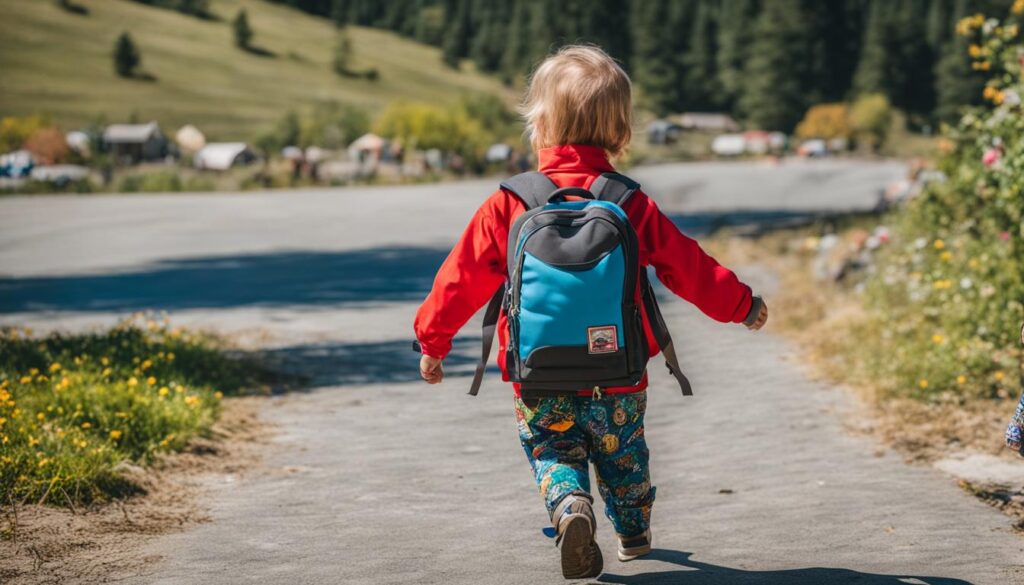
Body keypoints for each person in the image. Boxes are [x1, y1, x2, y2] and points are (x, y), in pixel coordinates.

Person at [413, 45, 768, 580]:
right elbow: (687, 267)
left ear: (540, 125)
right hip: (618, 372)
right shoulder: (629, 202)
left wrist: (432, 343)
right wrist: (743, 305)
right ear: (620, 132)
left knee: (553, 449)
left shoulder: (511, 203)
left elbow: (459, 279)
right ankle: (632, 529)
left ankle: (569, 503)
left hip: (537, 374)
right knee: (623, 454)